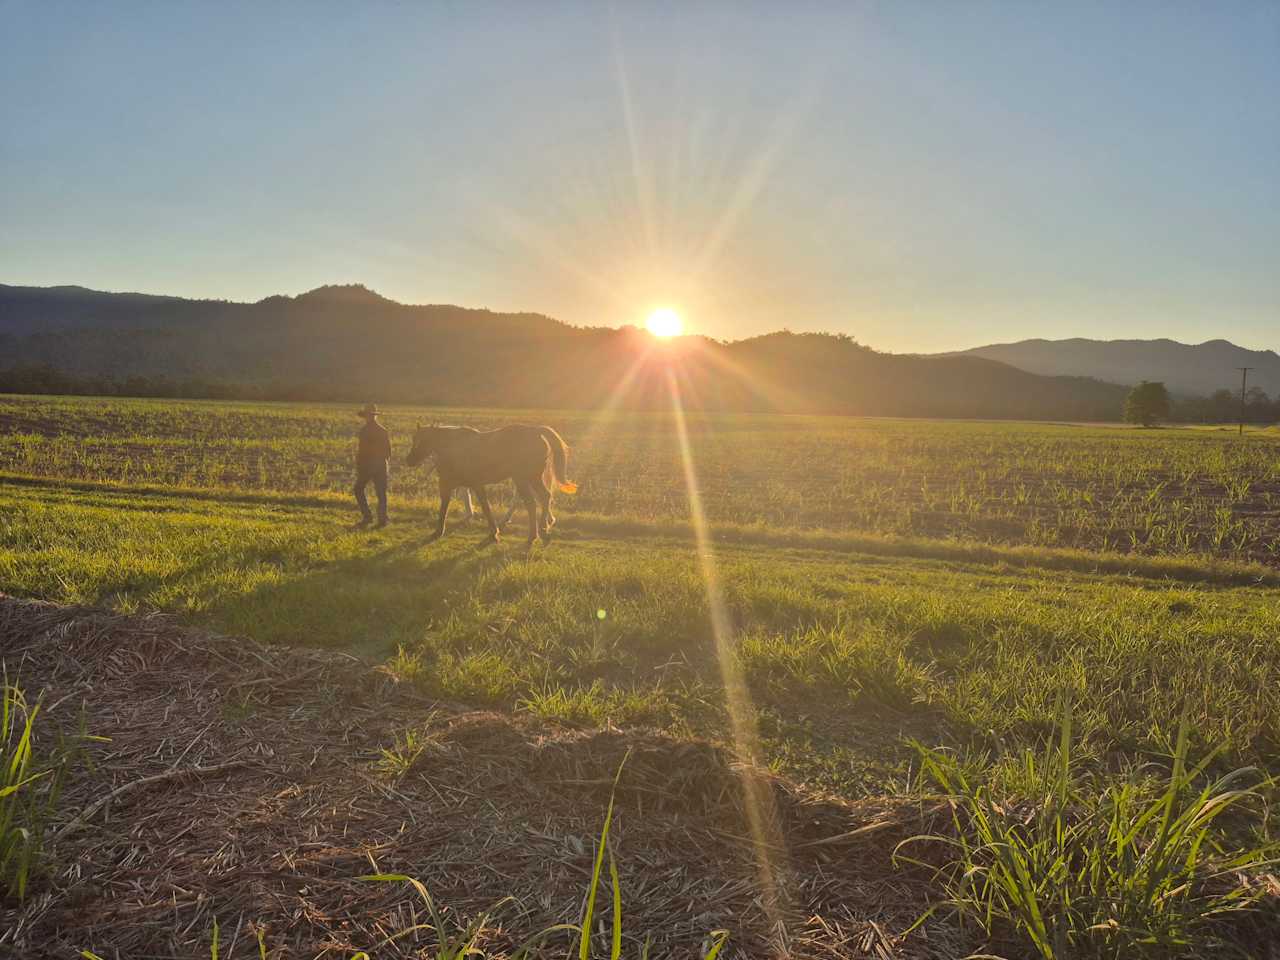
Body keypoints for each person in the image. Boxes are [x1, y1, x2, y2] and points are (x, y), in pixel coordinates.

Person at [353, 403, 391, 528]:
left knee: (358, 489)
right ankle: (382, 520)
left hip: (368, 465)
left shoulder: (364, 431)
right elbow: (388, 452)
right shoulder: (383, 430)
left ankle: (367, 517)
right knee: (381, 493)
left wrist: (360, 465)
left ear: (366, 416)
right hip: (381, 464)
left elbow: (362, 451)